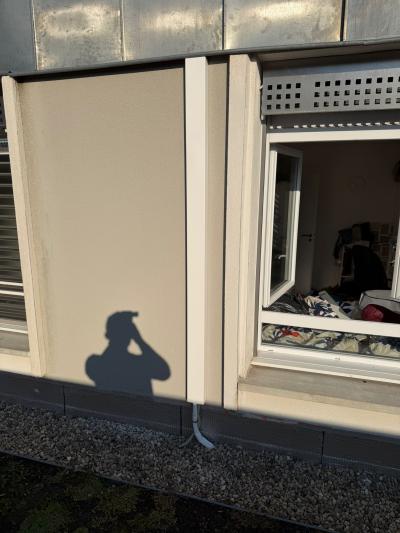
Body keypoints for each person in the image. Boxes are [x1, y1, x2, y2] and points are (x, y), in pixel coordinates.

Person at [86, 311, 170, 396]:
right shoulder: (97, 363)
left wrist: (139, 340)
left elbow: (164, 372)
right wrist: (139, 340)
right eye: (125, 330)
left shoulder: (137, 363)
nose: (128, 335)